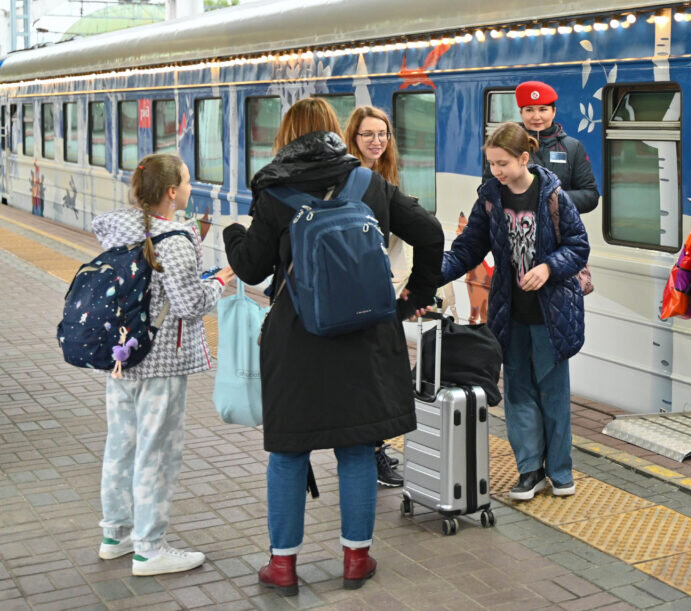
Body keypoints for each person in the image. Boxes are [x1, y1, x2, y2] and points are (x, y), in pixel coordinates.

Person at [223, 97, 442, 596]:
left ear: (287, 135)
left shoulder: (275, 191)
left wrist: (235, 232)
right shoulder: (368, 183)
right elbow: (430, 233)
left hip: (297, 340)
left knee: (288, 454)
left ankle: (282, 568)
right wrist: (413, 297)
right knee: (357, 450)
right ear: (334, 134)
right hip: (365, 335)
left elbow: (253, 268)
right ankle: (356, 559)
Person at [93, 153, 234, 576]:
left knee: (120, 446)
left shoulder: (118, 232)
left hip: (121, 357)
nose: (191, 188)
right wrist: (220, 281)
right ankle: (150, 548)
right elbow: (190, 306)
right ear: (171, 192)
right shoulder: (175, 238)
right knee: (157, 452)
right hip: (161, 362)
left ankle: (115, 535)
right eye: (187, 182)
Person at [445, 121, 589, 501]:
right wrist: (433, 273)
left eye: (503, 163)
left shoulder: (554, 196)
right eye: (492, 164)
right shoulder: (491, 198)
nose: (496, 171)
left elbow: (578, 246)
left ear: (524, 158)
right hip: (510, 312)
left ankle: (560, 471)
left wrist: (548, 267)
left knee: (553, 394)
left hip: (552, 313)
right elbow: (468, 247)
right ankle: (530, 470)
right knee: (518, 393)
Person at [342, 105, 410, 489]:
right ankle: (369, 451)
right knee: (369, 374)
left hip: (381, 287)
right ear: (353, 138)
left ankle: (370, 447)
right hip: (357, 291)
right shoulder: (352, 179)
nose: (377, 141)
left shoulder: (385, 175)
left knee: (376, 372)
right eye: (368, 134)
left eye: (382, 134)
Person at [484, 80, 599, 215]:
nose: (536, 116)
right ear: (521, 113)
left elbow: (590, 195)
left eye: (543, 109)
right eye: (529, 110)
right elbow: (486, 190)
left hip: (558, 232)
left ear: (553, 112)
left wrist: (554, 199)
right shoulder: (505, 145)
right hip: (515, 229)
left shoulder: (573, 147)